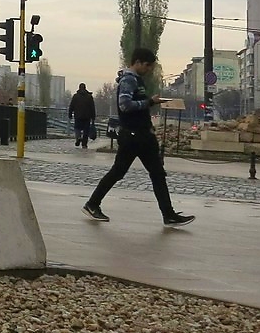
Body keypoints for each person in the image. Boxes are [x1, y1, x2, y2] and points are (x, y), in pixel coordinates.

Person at [83, 48, 195, 227]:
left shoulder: (136, 80)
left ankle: (168, 214)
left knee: (156, 173)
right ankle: (92, 204)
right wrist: (150, 102)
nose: (149, 69)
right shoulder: (129, 80)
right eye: (147, 66)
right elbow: (125, 105)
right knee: (121, 172)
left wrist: (149, 103)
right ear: (138, 62)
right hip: (133, 135)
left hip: (142, 134)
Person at [69, 82, 96, 148]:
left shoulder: (75, 96)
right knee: (86, 130)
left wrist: (70, 114)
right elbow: (92, 107)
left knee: (77, 128)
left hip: (78, 116)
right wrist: (93, 117)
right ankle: (84, 144)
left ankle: (78, 137)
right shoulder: (89, 97)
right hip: (87, 117)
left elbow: (71, 106)